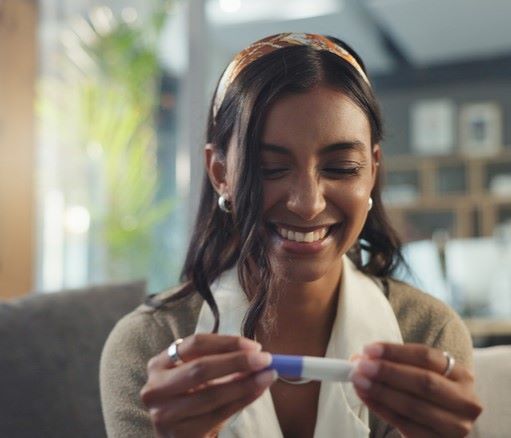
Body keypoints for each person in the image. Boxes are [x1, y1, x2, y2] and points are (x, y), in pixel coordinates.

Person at [100, 32, 482, 438]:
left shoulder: (427, 335)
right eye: (270, 169)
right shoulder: (150, 345)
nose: (307, 204)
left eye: (340, 168)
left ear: (372, 170)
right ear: (220, 173)